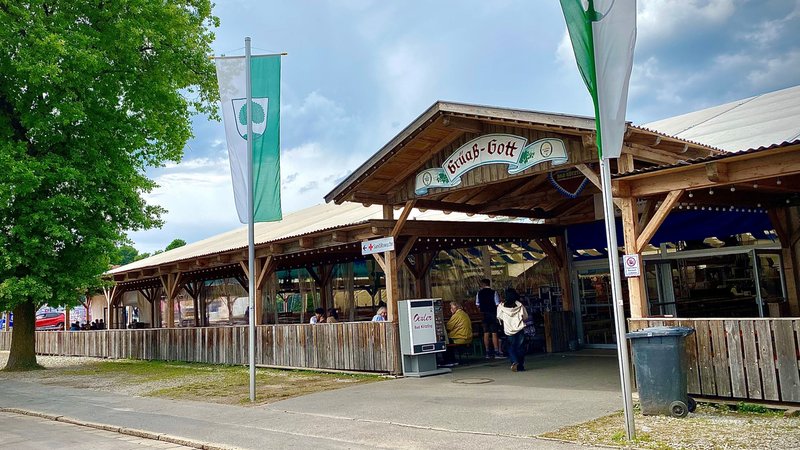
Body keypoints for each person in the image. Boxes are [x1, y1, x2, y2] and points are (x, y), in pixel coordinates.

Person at [497, 288, 529, 372]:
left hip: (508, 329)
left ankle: (514, 361)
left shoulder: (501, 306)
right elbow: (525, 316)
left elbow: (499, 317)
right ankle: (521, 366)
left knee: (511, 347)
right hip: (519, 328)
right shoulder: (520, 305)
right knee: (520, 347)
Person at [475, 278, 502, 358]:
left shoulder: (479, 293)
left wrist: (482, 309)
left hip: (484, 314)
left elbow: (477, 304)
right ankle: (496, 351)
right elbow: (497, 304)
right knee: (494, 333)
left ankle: (487, 352)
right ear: (489, 284)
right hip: (493, 313)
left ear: (482, 284)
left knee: (486, 333)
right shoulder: (494, 292)